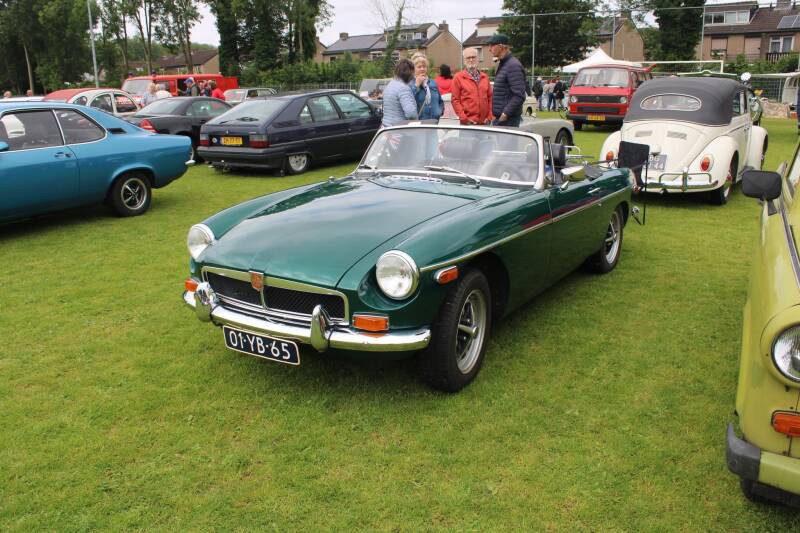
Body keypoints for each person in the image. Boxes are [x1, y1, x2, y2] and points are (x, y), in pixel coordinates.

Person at [486, 33, 526, 127]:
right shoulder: (503, 64)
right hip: (501, 119)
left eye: (492, 45)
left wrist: (505, 114)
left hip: (508, 120)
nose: (489, 49)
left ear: (501, 47)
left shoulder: (513, 65)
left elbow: (519, 95)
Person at [451, 47, 492, 125]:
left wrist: (490, 116)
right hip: (467, 124)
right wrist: (464, 118)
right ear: (464, 60)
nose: (471, 60)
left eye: (473, 57)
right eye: (468, 58)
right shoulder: (458, 78)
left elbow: (490, 98)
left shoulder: (485, 77)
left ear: (477, 59)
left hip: (484, 123)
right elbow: (455, 100)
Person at [381, 58, 418, 127]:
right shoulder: (403, 88)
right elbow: (411, 114)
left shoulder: (390, 84)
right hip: (399, 129)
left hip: (387, 127)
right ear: (409, 72)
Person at [410, 53, 443, 120]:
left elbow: (440, 100)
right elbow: (409, 101)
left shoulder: (432, 82)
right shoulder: (410, 83)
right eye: (419, 67)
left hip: (434, 120)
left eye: (424, 66)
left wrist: (440, 111)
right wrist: (416, 85)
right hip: (420, 121)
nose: (422, 69)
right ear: (413, 69)